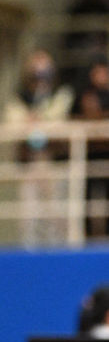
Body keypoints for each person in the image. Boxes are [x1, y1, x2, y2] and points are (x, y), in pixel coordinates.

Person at [3, 49, 72, 247]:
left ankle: (57, 249)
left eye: (44, 71)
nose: (40, 77)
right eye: (35, 71)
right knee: (28, 212)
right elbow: (11, 125)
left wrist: (41, 119)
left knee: (56, 210)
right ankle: (29, 250)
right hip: (29, 160)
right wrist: (29, 121)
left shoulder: (60, 94)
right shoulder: (19, 98)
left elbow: (59, 121)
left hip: (53, 160)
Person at [70, 56, 109, 238]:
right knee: (85, 196)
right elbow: (71, 118)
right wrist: (89, 116)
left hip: (107, 153)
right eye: (96, 71)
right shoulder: (83, 94)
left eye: (103, 71)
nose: (100, 75)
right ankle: (86, 234)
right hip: (88, 153)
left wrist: (99, 116)